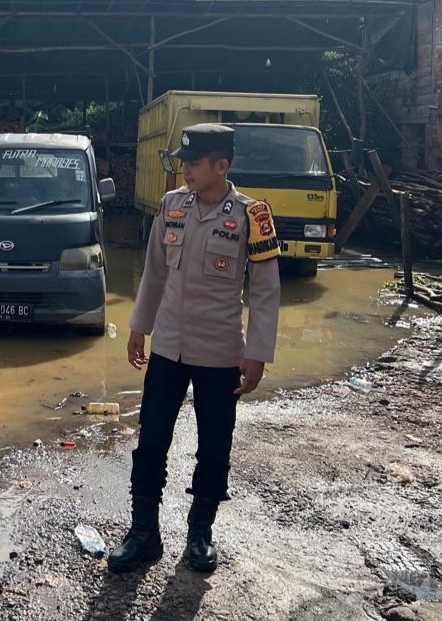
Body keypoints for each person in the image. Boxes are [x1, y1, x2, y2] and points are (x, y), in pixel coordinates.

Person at [109, 123, 281, 575]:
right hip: (168, 346)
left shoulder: (252, 216)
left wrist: (257, 353)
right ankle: (143, 532)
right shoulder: (171, 207)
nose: (184, 168)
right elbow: (154, 274)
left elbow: (265, 291)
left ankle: (199, 533)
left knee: (214, 447)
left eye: (194, 162)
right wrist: (138, 328)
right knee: (151, 442)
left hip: (221, 352)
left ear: (221, 166)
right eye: (183, 160)